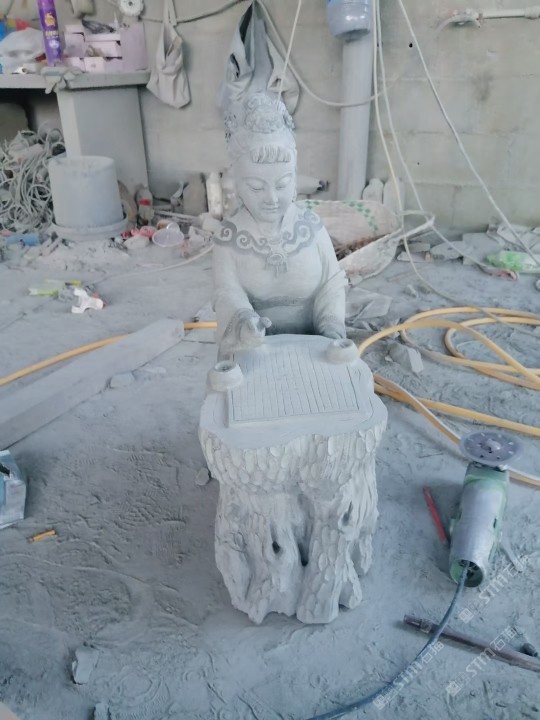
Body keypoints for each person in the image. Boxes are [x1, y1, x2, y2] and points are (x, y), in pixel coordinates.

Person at [213, 92, 347, 356]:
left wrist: (331, 328)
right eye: (256, 187)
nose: (272, 199)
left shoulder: (311, 228)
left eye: (283, 184)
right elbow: (227, 294)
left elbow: (331, 286)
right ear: (237, 183)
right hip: (253, 352)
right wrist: (244, 324)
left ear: (295, 179)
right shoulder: (228, 239)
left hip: (314, 350)